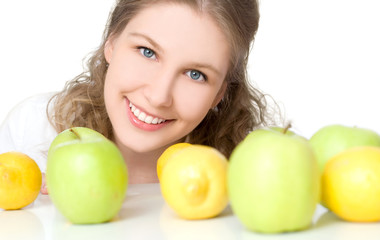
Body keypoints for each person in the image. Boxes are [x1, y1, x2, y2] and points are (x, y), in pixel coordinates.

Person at [0, 0, 275, 194]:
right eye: (147, 52)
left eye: (194, 74)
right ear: (111, 42)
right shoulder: (34, 132)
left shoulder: (248, 171)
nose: (158, 97)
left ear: (220, 94)